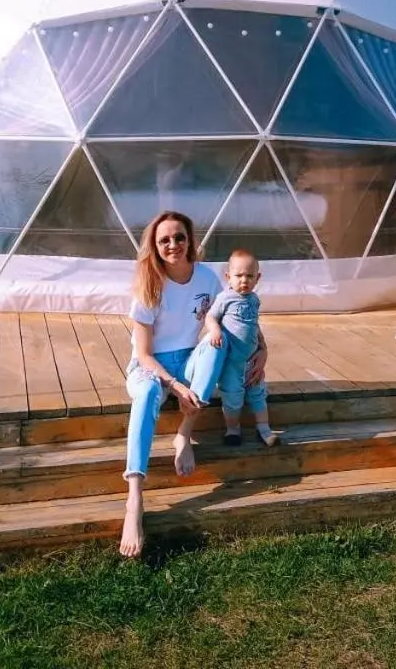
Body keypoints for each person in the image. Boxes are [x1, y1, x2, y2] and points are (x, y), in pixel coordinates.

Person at [119, 211, 267, 559]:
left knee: (218, 343)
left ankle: (184, 434)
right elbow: (144, 354)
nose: (173, 244)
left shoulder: (205, 277)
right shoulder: (149, 285)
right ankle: (134, 498)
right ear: (155, 246)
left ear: (190, 240)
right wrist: (173, 385)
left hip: (188, 359)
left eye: (179, 237)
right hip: (151, 367)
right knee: (148, 393)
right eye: (164, 240)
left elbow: (237, 310)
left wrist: (262, 348)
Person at [187, 249, 279, 448]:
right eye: (239, 276)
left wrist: (262, 347)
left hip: (250, 361)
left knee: (257, 393)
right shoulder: (225, 298)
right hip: (231, 363)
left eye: (250, 276)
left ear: (257, 278)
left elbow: (253, 325)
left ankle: (264, 429)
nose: (244, 280)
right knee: (232, 397)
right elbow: (210, 316)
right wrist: (215, 331)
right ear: (228, 277)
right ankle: (233, 429)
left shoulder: (254, 299)